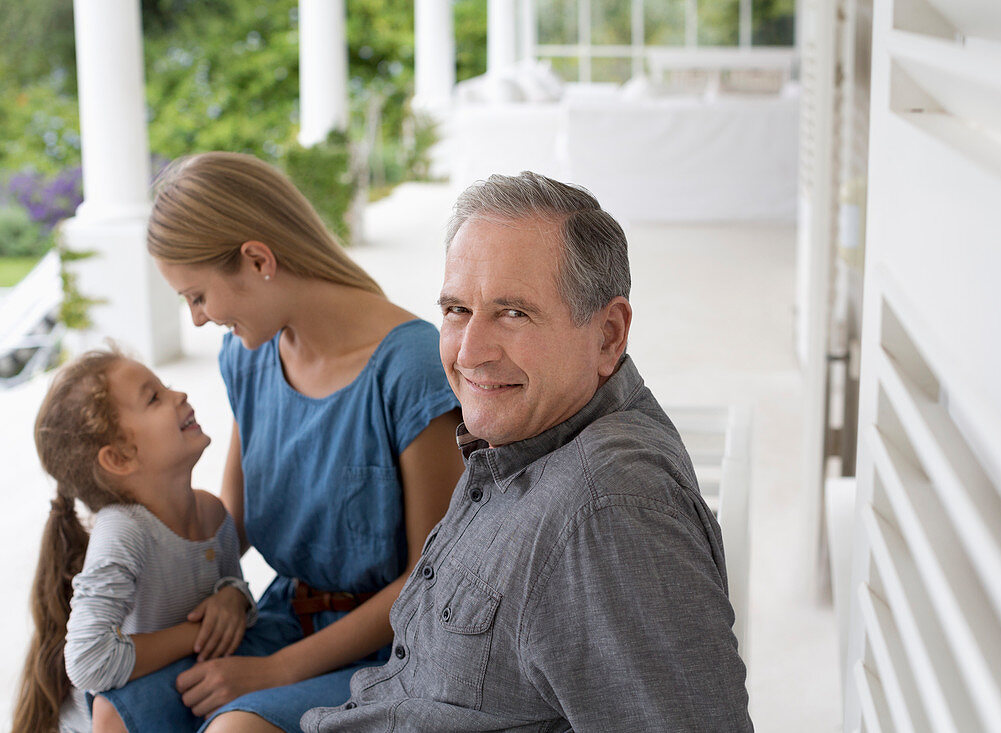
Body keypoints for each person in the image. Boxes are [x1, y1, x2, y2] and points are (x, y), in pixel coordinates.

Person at [302, 171, 753, 731]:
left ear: (609, 334)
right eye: (456, 310)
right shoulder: (521, 436)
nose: (470, 353)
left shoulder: (609, 512)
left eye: (514, 313)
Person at [96, 152, 466, 732]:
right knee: (114, 711)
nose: (197, 319)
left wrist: (274, 673)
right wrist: (224, 592)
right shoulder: (250, 357)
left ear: (257, 259)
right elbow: (233, 527)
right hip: (281, 618)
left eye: (197, 295)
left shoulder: (413, 369)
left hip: (388, 654)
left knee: (233, 728)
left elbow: (429, 580)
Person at [13, 348, 255, 733]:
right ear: (120, 457)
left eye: (167, 386)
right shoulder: (124, 531)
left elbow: (232, 586)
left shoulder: (212, 514)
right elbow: (89, 661)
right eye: (154, 397)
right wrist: (198, 634)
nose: (180, 396)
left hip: (174, 694)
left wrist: (233, 597)